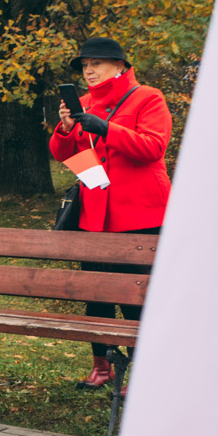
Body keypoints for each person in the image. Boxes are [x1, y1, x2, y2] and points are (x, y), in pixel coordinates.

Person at [50, 36, 172, 389]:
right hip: (95, 216)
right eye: (85, 65)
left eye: (96, 63)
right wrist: (67, 127)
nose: (88, 70)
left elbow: (153, 147)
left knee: (137, 296)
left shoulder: (148, 97)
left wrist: (103, 127)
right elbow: (61, 152)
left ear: (119, 66)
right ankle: (101, 365)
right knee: (96, 294)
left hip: (141, 217)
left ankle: (145, 369)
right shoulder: (83, 103)